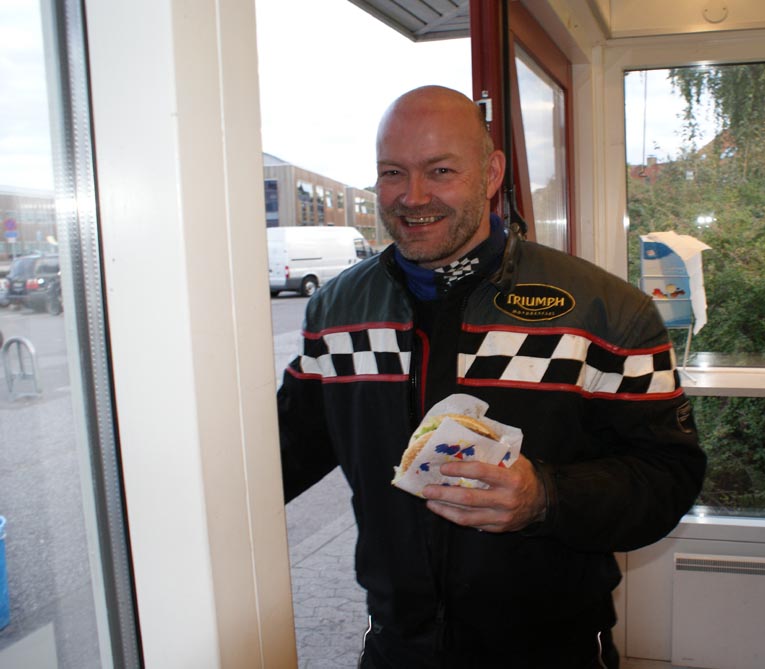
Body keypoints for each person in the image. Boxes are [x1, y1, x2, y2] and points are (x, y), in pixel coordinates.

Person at [277, 85, 706, 669]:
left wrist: (545, 497)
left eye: (441, 170)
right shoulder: (336, 312)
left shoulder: (605, 311)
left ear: (491, 174)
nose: (413, 196)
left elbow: (668, 477)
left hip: (554, 651)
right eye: (393, 172)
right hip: (398, 647)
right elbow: (277, 461)